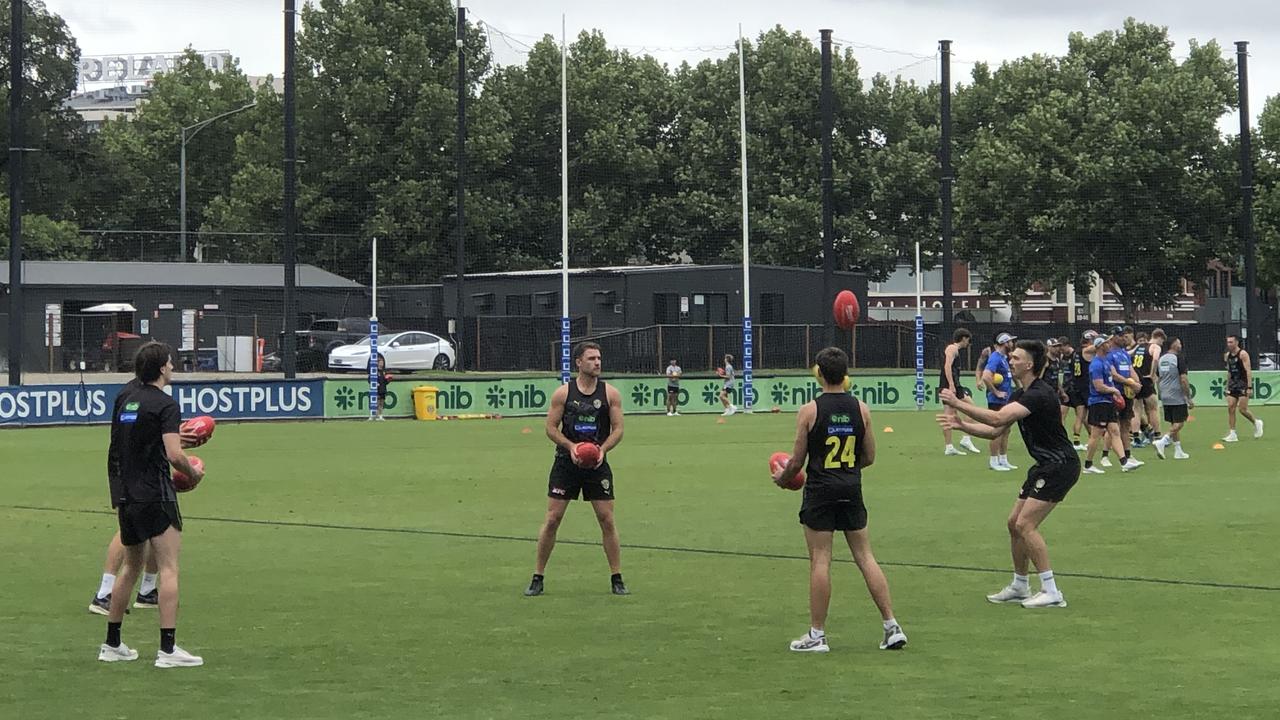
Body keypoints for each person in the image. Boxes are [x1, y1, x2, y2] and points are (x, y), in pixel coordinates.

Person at [772, 346, 907, 652]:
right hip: (851, 488)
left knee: (820, 560)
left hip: (820, 490)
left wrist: (782, 479)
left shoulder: (809, 410)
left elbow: (796, 462)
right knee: (865, 556)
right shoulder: (861, 409)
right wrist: (845, 470)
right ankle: (891, 625)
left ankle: (817, 635)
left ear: (818, 373)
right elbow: (870, 456)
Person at [938, 339, 1079, 609]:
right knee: (1013, 523)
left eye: (1016, 358)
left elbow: (997, 419)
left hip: (1060, 465)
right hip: (1044, 465)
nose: (1010, 361)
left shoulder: (1039, 393)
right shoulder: (1020, 394)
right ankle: (1020, 585)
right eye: (1011, 357)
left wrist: (958, 403)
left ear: (1029, 364)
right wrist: (961, 425)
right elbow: (994, 431)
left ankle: (1051, 591)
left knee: (1026, 525)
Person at [98, 342, 204, 668]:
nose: (172, 367)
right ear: (161, 368)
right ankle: (168, 650)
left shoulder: (127, 398)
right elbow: (174, 455)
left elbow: (124, 444)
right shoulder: (165, 404)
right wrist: (193, 472)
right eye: (170, 363)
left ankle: (112, 643)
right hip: (156, 495)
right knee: (169, 568)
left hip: (127, 495)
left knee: (130, 567)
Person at [525, 342, 628, 597]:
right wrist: (571, 447)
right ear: (578, 363)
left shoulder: (610, 394)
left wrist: (602, 450)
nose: (597, 362)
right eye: (591, 358)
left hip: (597, 465)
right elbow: (550, 428)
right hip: (565, 464)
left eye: (599, 358)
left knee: (607, 519)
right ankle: (538, 577)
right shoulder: (563, 394)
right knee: (552, 520)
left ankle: (617, 577)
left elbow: (618, 430)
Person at [1082, 336, 1130, 474]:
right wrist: (1114, 390)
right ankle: (1088, 465)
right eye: (1106, 343)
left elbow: (1109, 381)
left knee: (1115, 431)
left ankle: (1124, 462)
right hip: (1099, 402)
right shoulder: (1096, 364)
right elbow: (1098, 386)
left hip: (1107, 402)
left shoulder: (1106, 362)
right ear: (1100, 346)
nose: (1109, 344)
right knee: (1096, 435)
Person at [1104, 326, 1143, 471]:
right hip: (1115, 394)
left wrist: (1137, 383)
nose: (1124, 338)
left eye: (1124, 335)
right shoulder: (1109, 354)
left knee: (1125, 425)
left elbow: (1130, 369)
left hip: (1127, 394)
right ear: (1113, 337)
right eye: (1121, 336)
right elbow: (1113, 375)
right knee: (1112, 427)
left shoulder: (1124, 353)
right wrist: (1130, 383)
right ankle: (1105, 456)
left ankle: (1127, 456)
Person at [938, 328, 981, 456]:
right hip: (950, 386)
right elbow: (947, 366)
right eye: (968, 340)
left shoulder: (954, 350)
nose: (968, 343)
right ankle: (964, 439)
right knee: (969, 408)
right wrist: (951, 384)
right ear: (963, 338)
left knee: (951, 414)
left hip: (952, 385)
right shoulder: (952, 349)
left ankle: (951, 445)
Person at [981, 332, 1018, 471]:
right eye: (1010, 342)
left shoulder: (1004, 358)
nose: (1012, 344)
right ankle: (993, 460)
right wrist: (995, 392)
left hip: (1006, 399)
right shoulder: (995, 358)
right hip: (997, 400)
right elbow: (986, 377)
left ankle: (1003, 459)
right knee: (996, 430)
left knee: (1006, 430)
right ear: (1004, 343)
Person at [1152, 337, 1193, 460]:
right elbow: (1183, 379)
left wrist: (1160, 392)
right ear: (1174, 344)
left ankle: (1178, 451)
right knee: (1179, 423)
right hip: (1176, 394)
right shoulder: (1178, 358)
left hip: (1165, 394)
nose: (1181, 345)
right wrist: (1188, 397)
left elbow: (1157, 378)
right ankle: (1163, 441)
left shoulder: (1162, 358)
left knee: (1173, 422)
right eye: (1179, 342)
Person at [1224, 334, 1263, 442]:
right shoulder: (1227, 355)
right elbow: (1229, 372)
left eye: (1231, 342)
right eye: (1228, 342)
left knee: (1242, 409)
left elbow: (1248, 371)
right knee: (1230, 407)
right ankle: (1232, 433)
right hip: (1233, 384)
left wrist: (1249, 387)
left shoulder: (1243, 354)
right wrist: (1227, 386)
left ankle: (1256, 422)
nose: (1229, 344)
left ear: (1236, 342)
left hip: (1243, 384)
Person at [1132, 329, 1165, 445]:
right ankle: (1157, 436)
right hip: (1146, 379)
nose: (1161, 344)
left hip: (1135, 380)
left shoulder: (1137, 347)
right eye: (1162, 341)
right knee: (1153, 409)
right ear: (1159, 337)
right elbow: (1155, 359)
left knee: (1136, 410)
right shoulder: (1155, 347)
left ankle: (1136, 438)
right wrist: (1152, 374)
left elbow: (1128, 355)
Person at [374, 355, 391, 421]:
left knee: (382, 403)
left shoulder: (384, 371)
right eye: (380, 362)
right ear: (377, 363)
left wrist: (388, 380)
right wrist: (376, 384)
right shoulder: (375, 371)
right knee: (377, 402)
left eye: (382, 363)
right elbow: (370, 379)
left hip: (383, 389)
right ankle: (376, 415)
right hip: (378, 389)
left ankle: (381, 415)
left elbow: (385, 381)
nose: (382, 364)